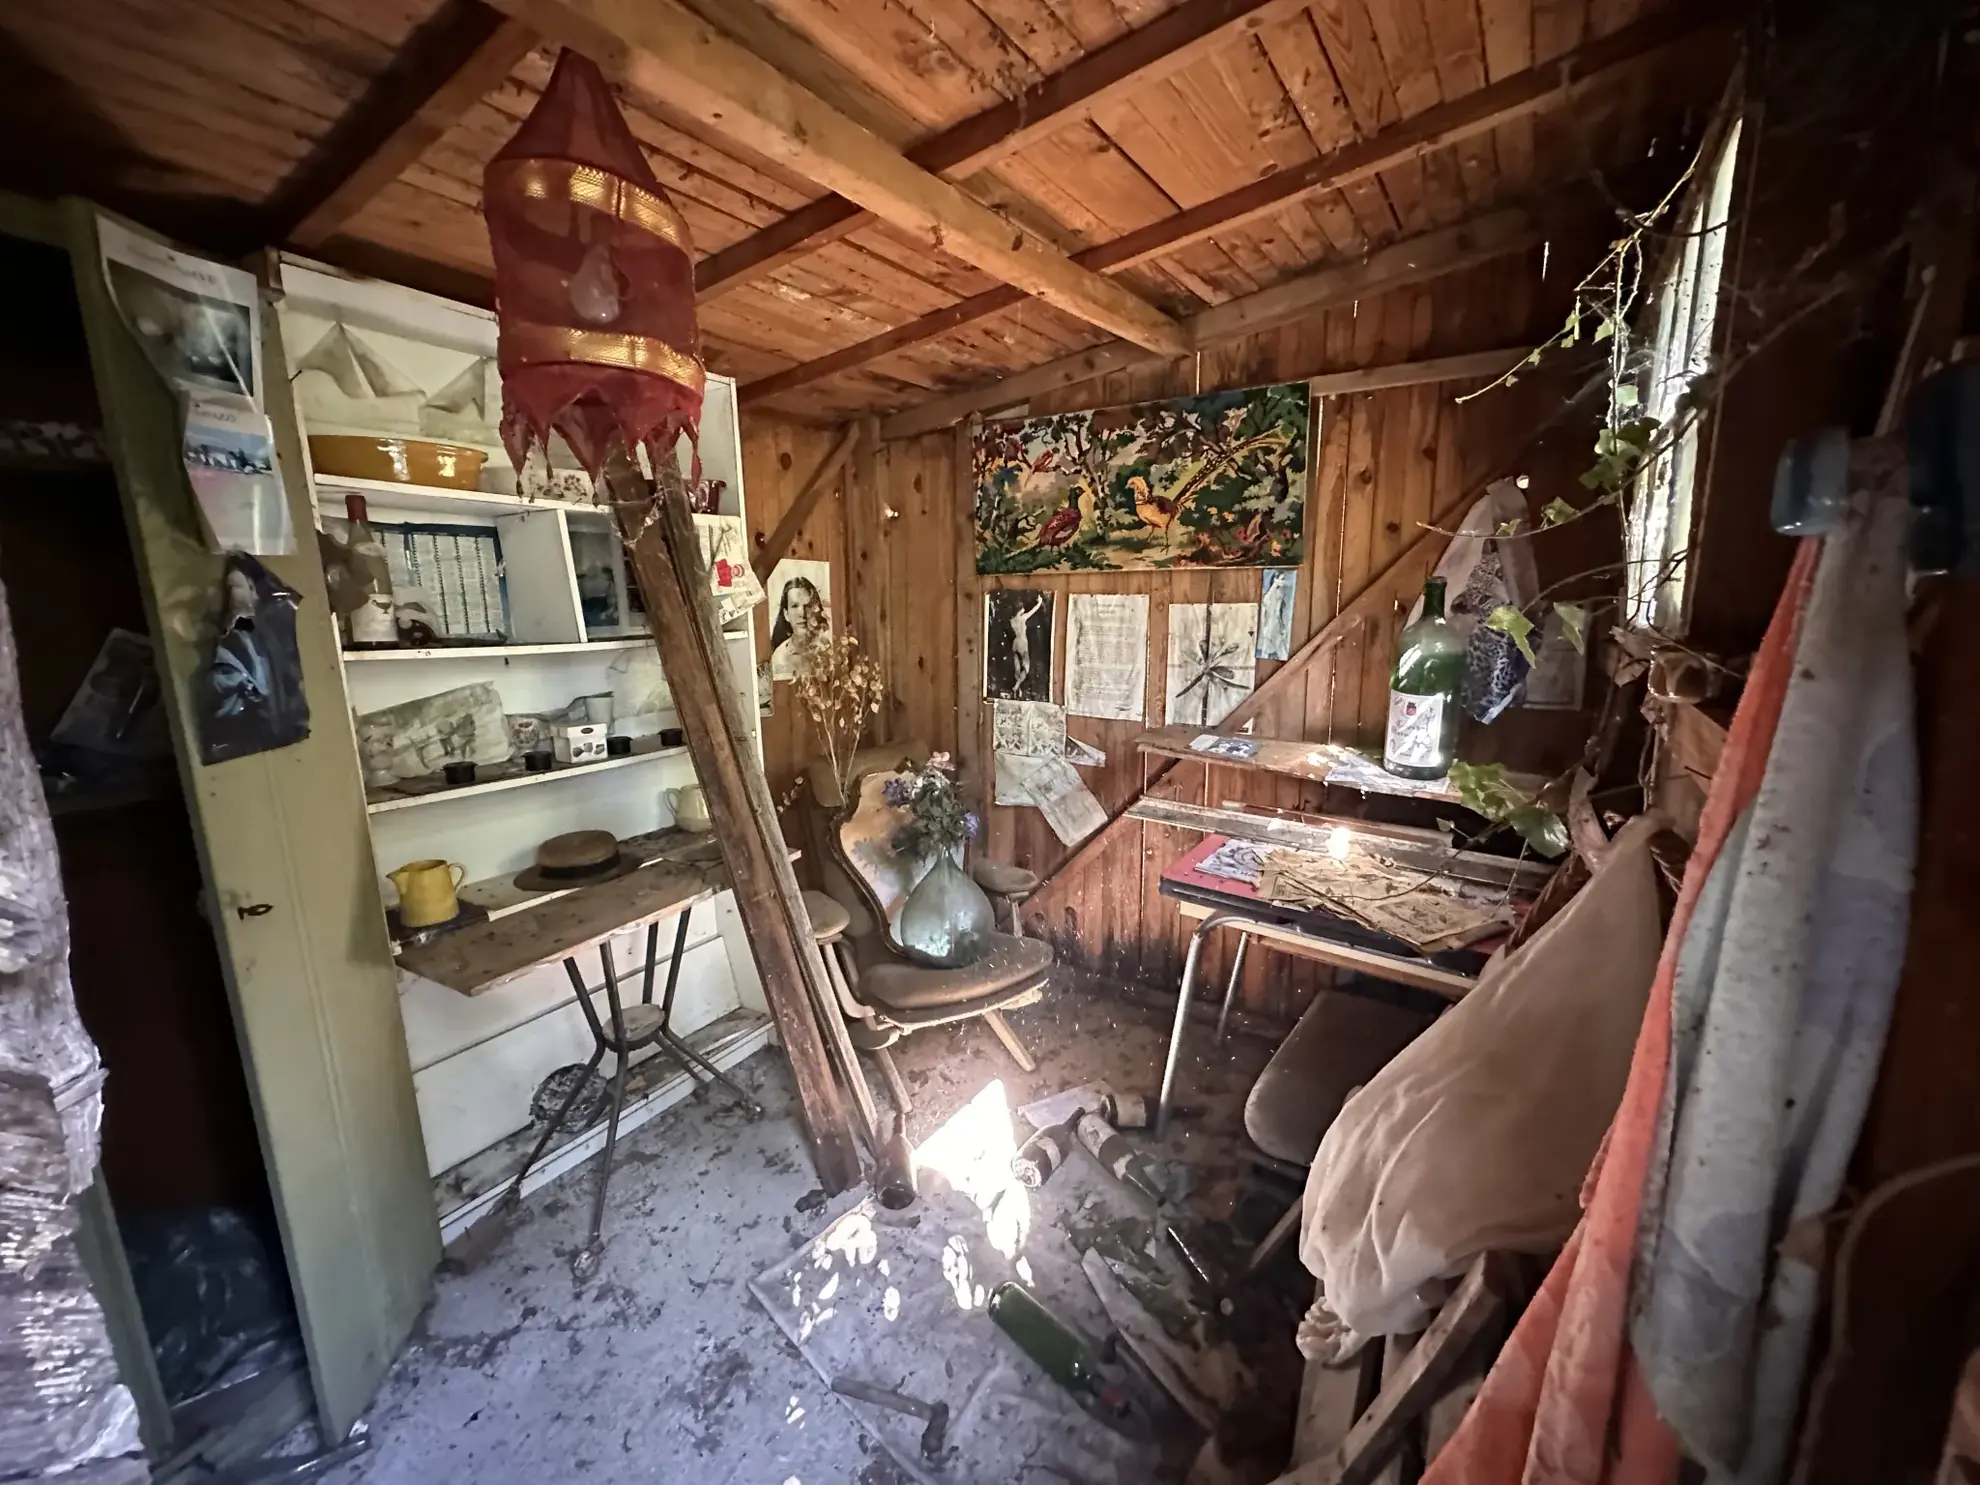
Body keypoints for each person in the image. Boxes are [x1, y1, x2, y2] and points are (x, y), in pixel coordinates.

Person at [769, 573, 825, 680]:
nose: (802, 613)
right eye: (795, 606)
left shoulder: (825, 650)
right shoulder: (779, 656)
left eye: (807, 606)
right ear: (786, 614)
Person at [1008, 592, 1046, 697]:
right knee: (1026, 667)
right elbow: (1033, 611)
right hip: (1022, 642)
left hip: (1015, 643)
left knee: (1017, 667)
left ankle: (1017, 690)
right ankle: (1016, 686)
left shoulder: (1012, 621)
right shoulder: (1022, 618)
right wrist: (1040, 602)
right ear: (1019, 609)